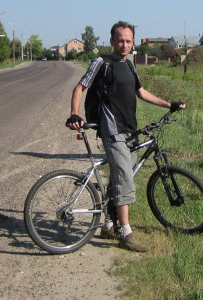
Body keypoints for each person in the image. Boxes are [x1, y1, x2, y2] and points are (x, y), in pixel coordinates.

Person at [66, 21, 185, 252]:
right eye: (120, 40)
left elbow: (140, 92)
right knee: (125, 180)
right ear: (112, 41)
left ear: (133, 42)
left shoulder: (129, 65)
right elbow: (80, 87)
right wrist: (74, 113)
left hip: (130, 130)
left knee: (118, 179)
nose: (124, 44)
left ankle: (108, 224)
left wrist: (168, 104)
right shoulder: (102, 63)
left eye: (128, 41)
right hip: (112, 130)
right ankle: (126, 232)